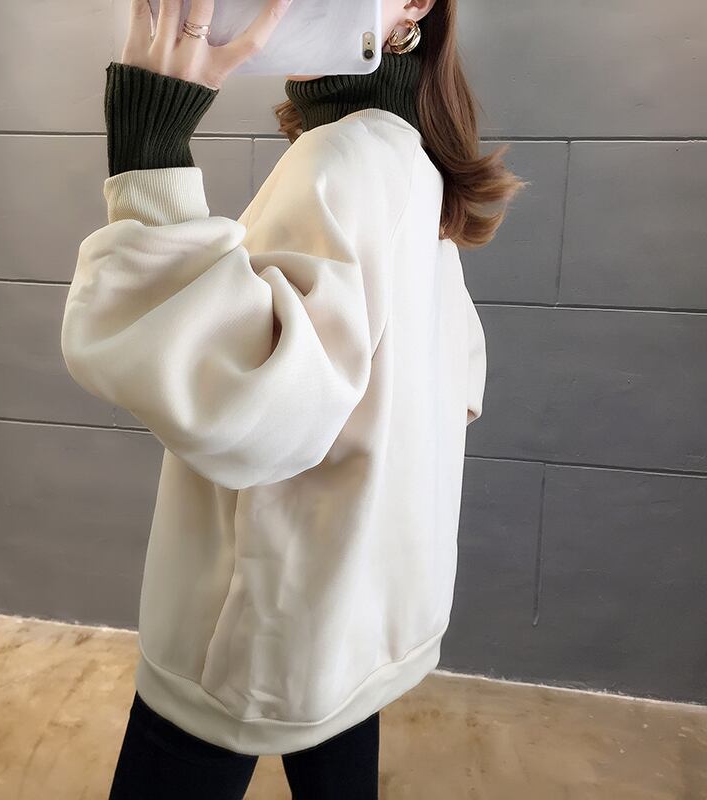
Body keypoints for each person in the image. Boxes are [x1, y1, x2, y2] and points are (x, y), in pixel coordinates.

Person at [60, 0, 526, 797]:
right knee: (335, 732)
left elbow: (248, 407)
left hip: (259, 615)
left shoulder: (341, 160)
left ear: (415, 7)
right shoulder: (407, 158)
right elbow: (456, 377)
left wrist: (150, 153)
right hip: (349, 605)